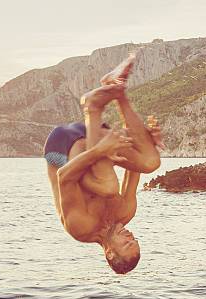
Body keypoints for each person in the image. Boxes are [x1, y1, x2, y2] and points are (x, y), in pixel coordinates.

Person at [44, 55, 163, 274]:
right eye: (135, 240)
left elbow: (64, 177)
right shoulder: (126, 212)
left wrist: (101, 150)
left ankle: (92, 107)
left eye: (127, 243)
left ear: (109, 252)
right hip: (93, 135)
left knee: (108, 187)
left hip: (62, 148)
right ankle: (117, 89)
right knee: (151, 161)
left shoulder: (80, 227)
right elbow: (135, 170)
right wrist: (146, 140)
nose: (130, 236)